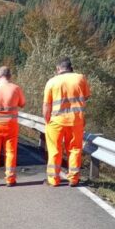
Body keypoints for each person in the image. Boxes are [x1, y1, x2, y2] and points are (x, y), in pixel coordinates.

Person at [42, 57, 91, 187]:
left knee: (55, 150)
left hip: (56, 121)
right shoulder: (80, 78)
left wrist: (47, 120)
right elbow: (86, 96)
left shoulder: (51, 82)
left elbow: (47, 105)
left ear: (58, 69)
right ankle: (74, 178)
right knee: (75, 149)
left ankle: (53, 179)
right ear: (70, 67)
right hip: (76, 120)